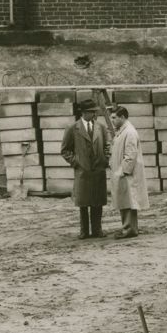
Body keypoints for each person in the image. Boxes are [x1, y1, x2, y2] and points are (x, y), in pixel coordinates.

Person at [60, 98, 111, 239]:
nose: (94, 115)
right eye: (91, 112)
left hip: (98, 170)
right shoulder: (73, 128)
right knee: (83, 203)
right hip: (83, 171)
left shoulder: (101, 127)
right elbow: (65, 150)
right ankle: (84, 231)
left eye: (95, 112)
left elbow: (107, 146)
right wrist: (76, 162)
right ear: (84, 113)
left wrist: (105, 159)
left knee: (97, 202)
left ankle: (97, 230)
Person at [108, 106, 150, 239]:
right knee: (125, 201)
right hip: (121, 172)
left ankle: (129, 229)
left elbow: (130, 155)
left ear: (122, 117)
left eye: (114, 118)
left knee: (128, 201)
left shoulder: (129, 132)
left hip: (126, 174)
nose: (112, 120)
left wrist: (122, 171)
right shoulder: (122, 131)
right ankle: (128, 227)